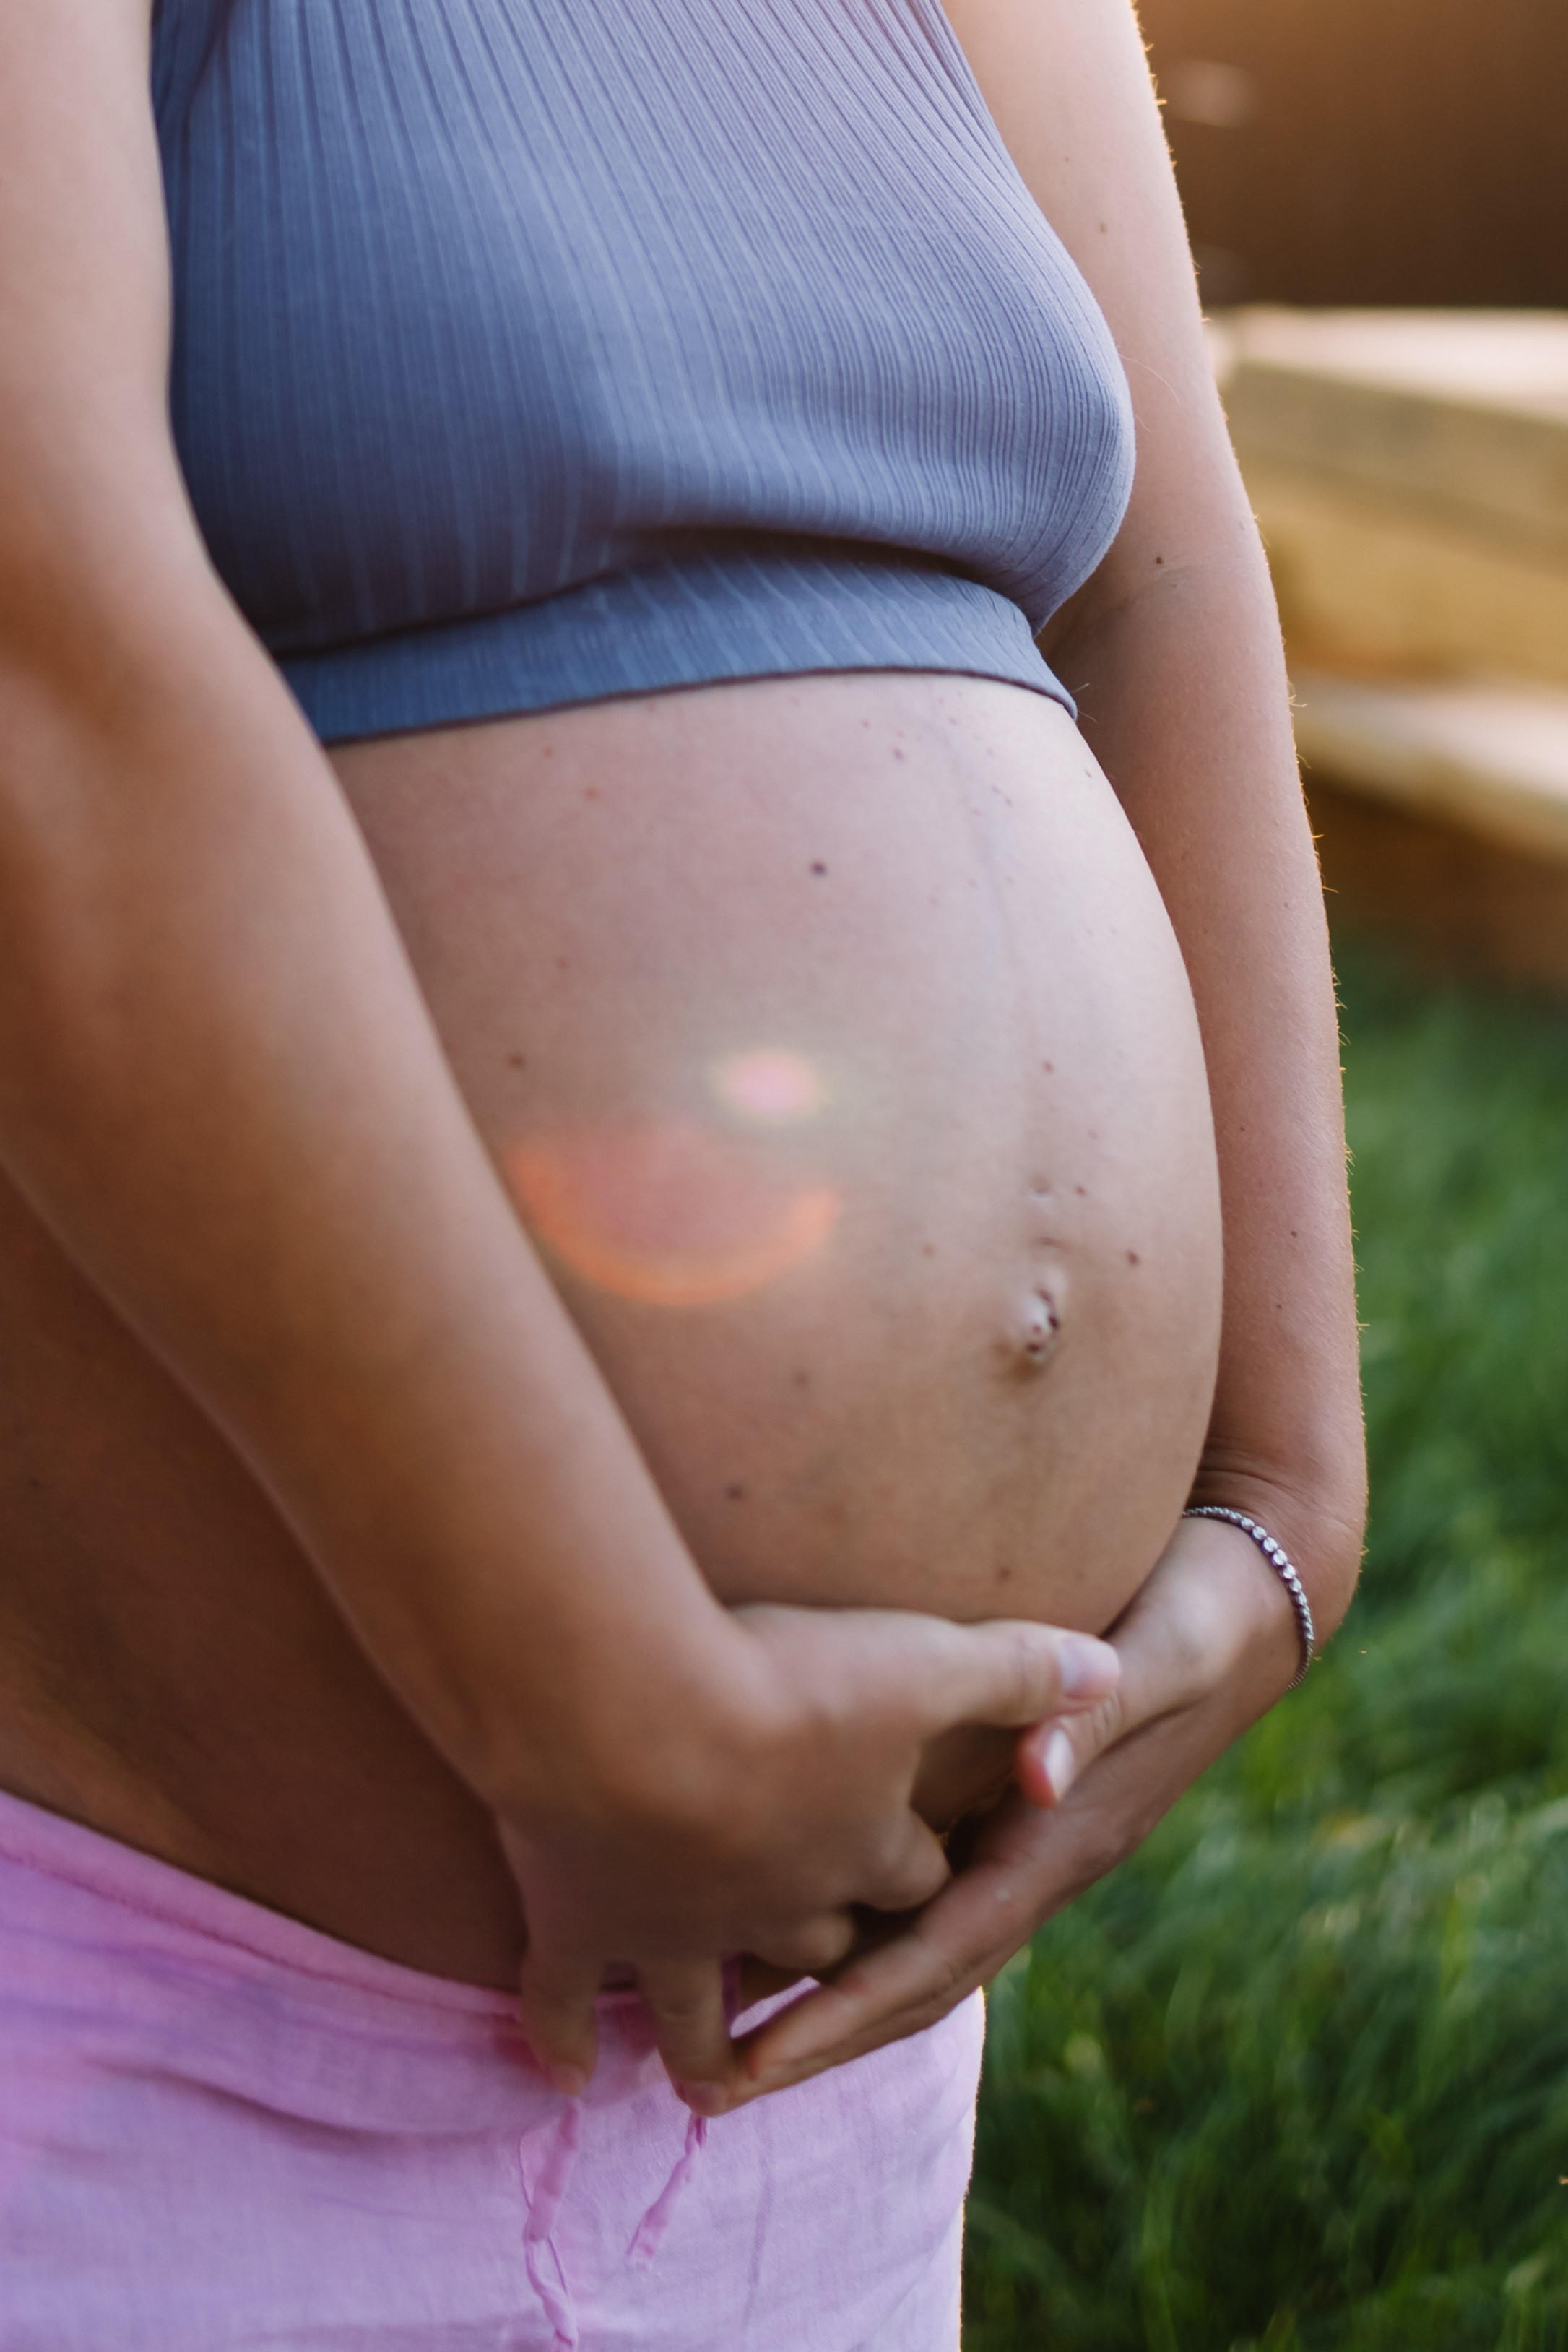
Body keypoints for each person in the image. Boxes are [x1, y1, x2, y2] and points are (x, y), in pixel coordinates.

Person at [0, 0, 1365, 2343]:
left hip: (817, 2099)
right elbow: (38, 660)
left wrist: (1282, 1495)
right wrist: (577, 1687)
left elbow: (1161, 579)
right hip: (156, 2042)